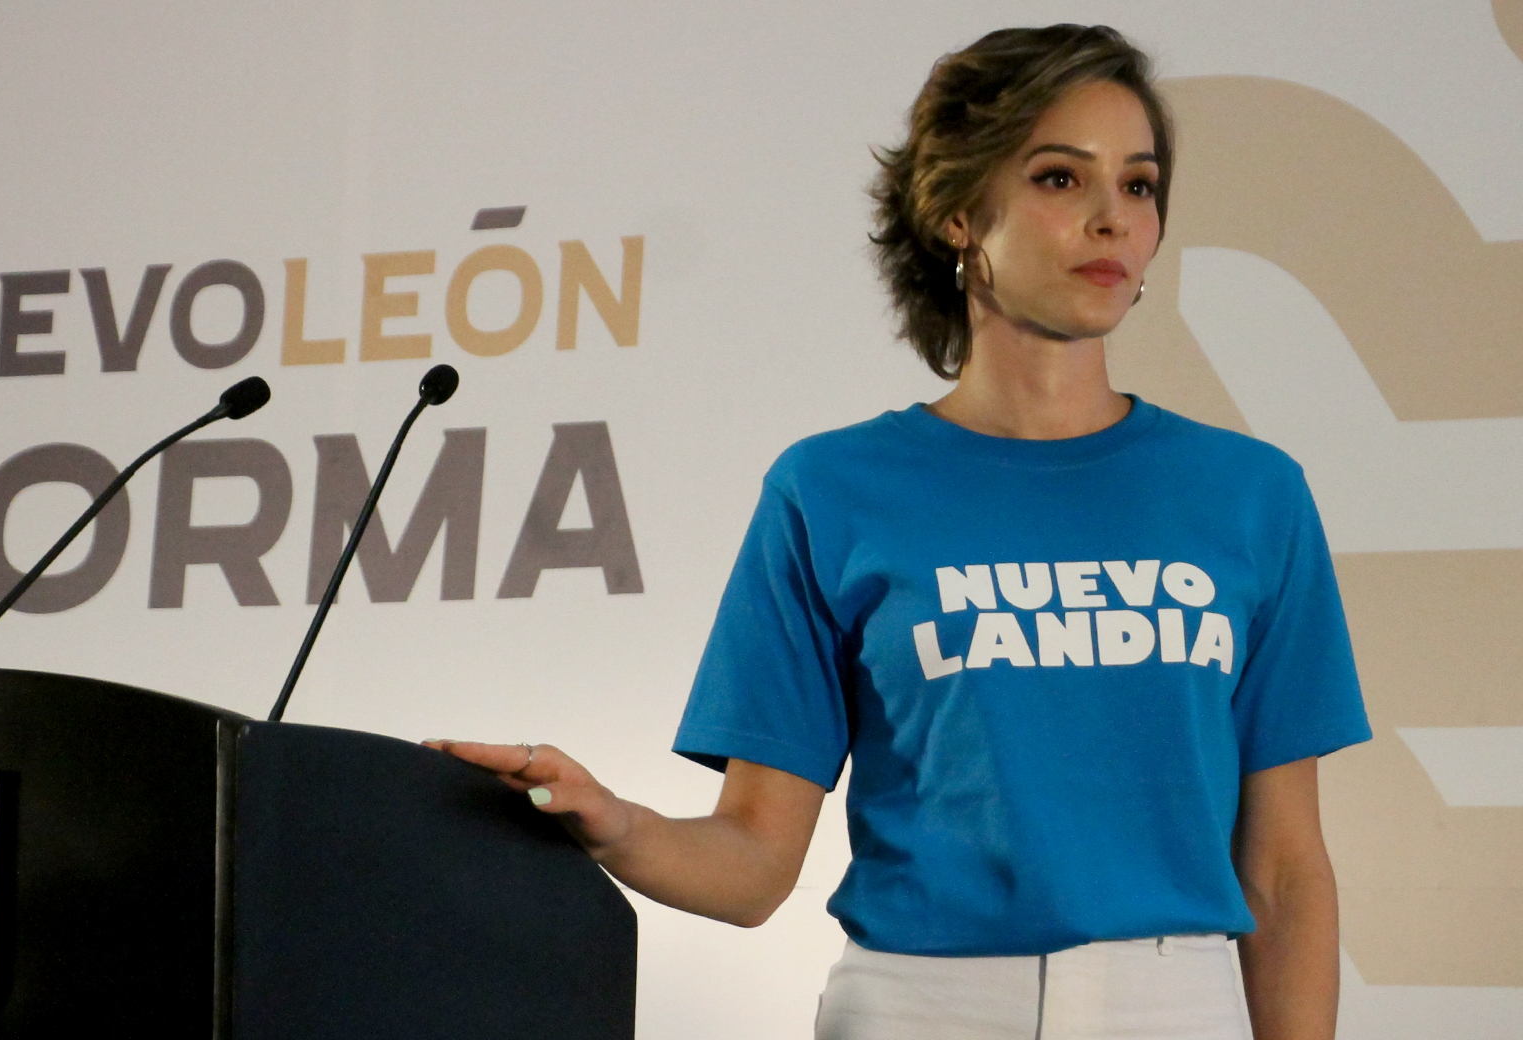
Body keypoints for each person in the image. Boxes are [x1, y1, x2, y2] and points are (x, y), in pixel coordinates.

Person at [429, 24, 1369, 1040]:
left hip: (1177, 1008)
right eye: (1060, 177)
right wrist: (617, 824)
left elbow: (1284, 870)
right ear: (958, 212)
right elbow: (754, 863)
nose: (1113, 219)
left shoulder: (1251, 495)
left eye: (1138, 186)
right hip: (915, 1009)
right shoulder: (831, 489)